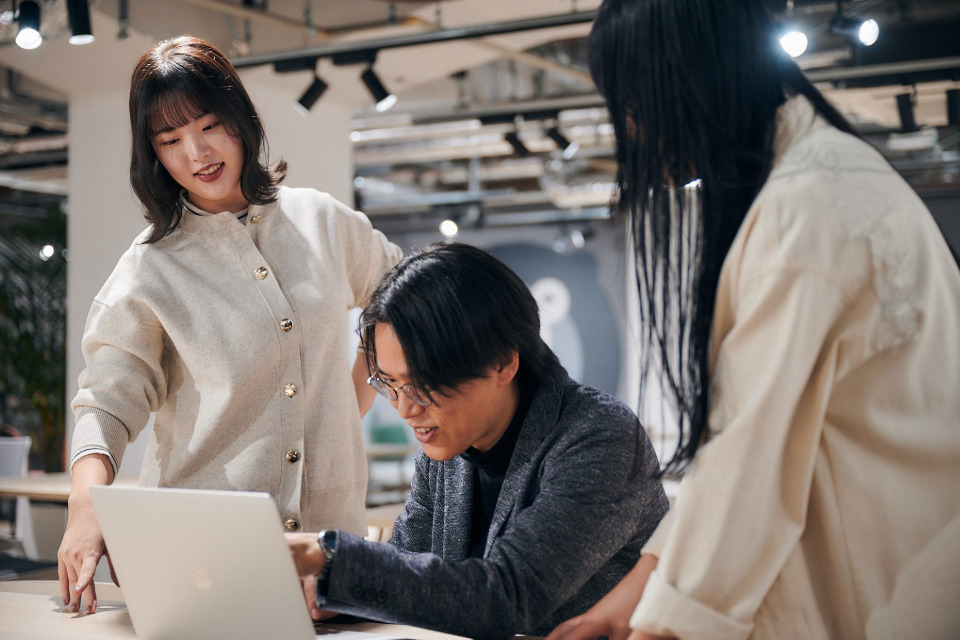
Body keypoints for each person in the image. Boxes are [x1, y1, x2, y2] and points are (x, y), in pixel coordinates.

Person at [546, 1, 960, 639]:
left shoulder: (807, 210)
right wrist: (634, 597)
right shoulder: (819, 179)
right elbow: (735, 454)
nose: (629, 129)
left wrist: (660, 624)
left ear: (686, 78)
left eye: (631, 101)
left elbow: (749, 466)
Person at [59, 36, 401, 615]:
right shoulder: (148, 270)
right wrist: (85, 504)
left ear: (240, 120)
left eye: (209, 125)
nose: (197, 153)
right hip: (203, 555)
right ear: (153, 154)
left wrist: (355, 396)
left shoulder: (322, 221)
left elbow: (400, 296)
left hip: (328, 548)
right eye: (170, 140)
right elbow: (107, 404)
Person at [286, 243, 668, 640]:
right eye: (390, 383)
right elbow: (408, 566)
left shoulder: (600, 437)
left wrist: (329, 558)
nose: (405, 409)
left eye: (424, 384)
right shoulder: (448, 446)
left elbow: (509, 597)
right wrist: (334, 596)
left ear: (503, 362)